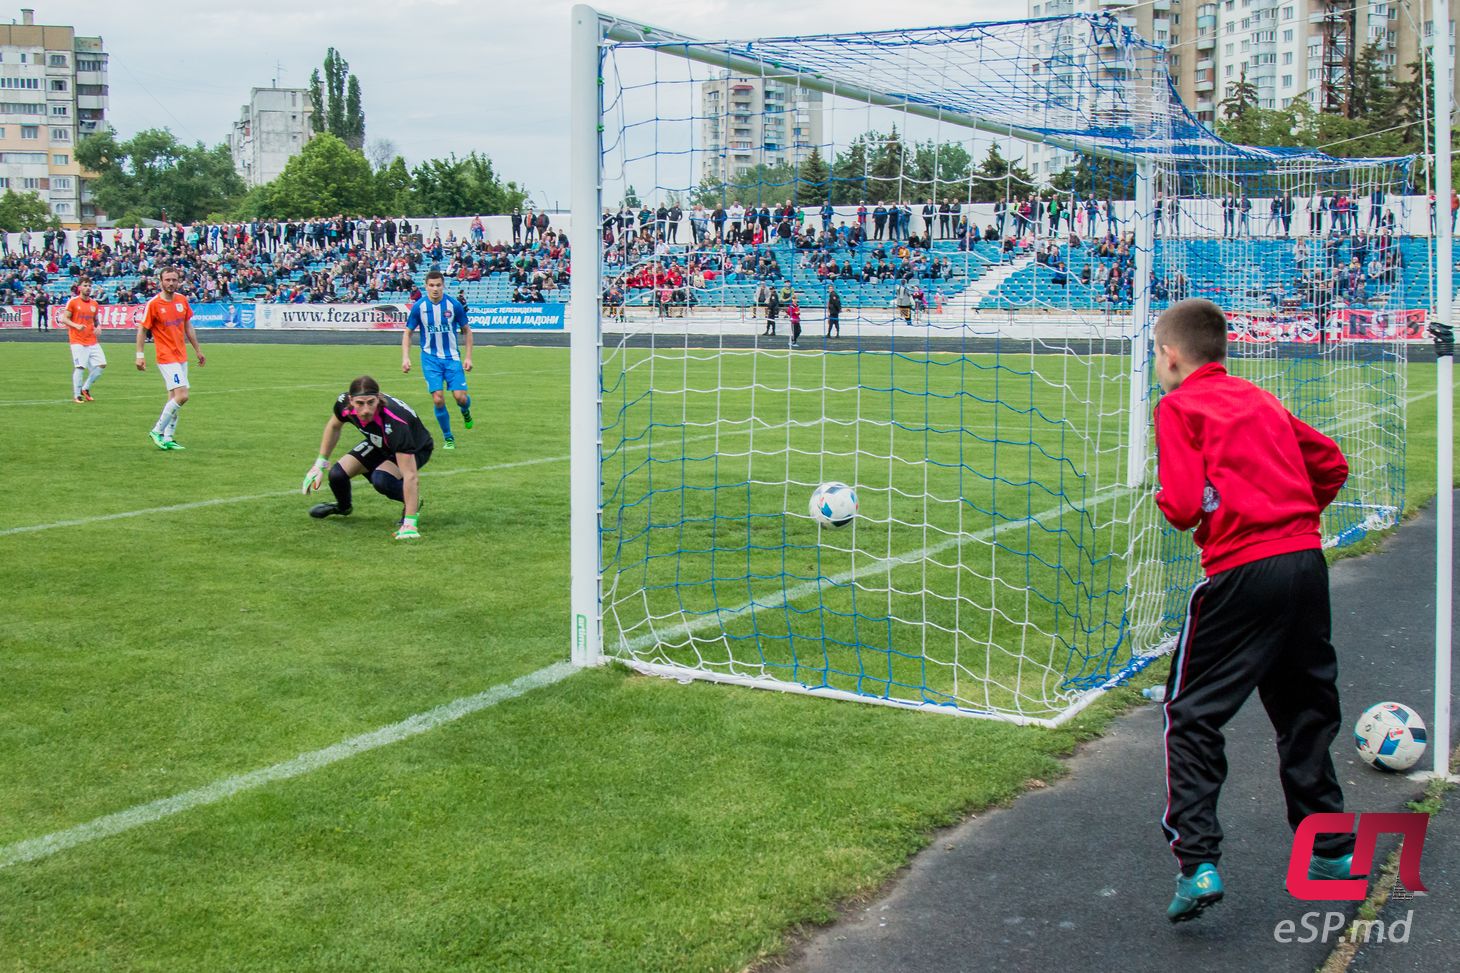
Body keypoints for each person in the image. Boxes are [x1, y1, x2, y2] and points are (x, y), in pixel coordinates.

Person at [1150, 298, 1355, 923]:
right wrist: (1293, 511)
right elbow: (1331, 463)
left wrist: (1175, 501)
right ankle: (1331, 854)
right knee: (1305, 706)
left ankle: (1198, 862)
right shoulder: (1260, 398)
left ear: (1170, 354)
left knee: (1190, 714)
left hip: (1242, 571)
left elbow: (1184, 506)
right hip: (1306, 564)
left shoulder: (1178, 405)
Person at [302, 375, 432, 541]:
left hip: (415, 447)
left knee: (382, 479)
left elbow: (410, 476)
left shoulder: (394, 422)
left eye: (371, 402)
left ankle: (412, 503)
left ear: (378, 399)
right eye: (360, 403)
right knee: (337, 475)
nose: (365, 410)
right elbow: (334, 426)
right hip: (381, 442)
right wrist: (319, 464)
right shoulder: (344, 404)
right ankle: (343, 507)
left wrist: (410, 523)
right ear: (351, 400)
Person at [402, 269, 473, 450]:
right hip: (430, 359)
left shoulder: (453, 305)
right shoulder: (419, 307)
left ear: (443, 286)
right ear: (426, 287)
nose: (435, 289)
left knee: (460, 398)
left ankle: (465, 410)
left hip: (451, 358)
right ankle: (448, 438)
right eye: (431, 285)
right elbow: (408, 332)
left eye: (438, 285)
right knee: (438, 399)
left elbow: (467, 330)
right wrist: (405, 358)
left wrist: (468, 357)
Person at [135, 266, 205, 450]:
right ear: (160, 281)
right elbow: (143, 329)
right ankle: (157, 431)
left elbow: (188, 326)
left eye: (174, 280)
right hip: (166, 356)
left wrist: (197, 350)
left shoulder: (182, 300)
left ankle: (168, 438)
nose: (171, 283)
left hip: (181, 355)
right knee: (182, 396)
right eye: (167, 280)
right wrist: (140, 355)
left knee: (173, 397)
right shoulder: (154, 304)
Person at [62, 278, 104, 402]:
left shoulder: (94, 304)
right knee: (80, 367)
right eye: (85, 285)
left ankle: (85, 388)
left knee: (102, 364)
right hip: (77, 340)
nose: (88, 287)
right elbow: (65, 319)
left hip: (92, 340)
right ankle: (77, 395)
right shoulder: (73, 302)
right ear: (79, 287)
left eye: (90, 285)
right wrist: (76, 326)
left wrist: (99, 327)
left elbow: (95, 320)